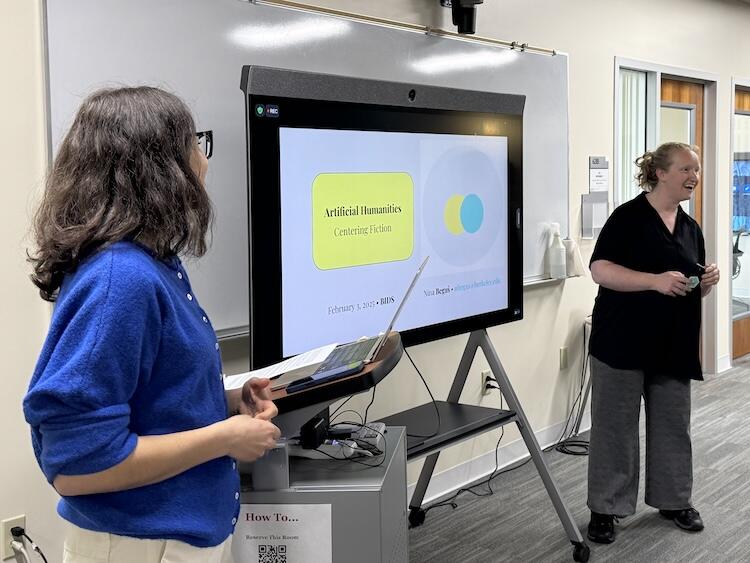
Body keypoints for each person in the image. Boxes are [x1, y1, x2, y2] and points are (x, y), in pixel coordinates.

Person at [23, 86, 281, 563]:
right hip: (140, 548)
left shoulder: (154, 264)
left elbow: (150, 396)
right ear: (161, 165)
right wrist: (225, 437)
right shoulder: (121, 279)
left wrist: (225, 400)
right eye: (194, 144)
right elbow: (77, 464)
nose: (203, 160)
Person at [586, 142, 720, 544]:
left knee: (673, 427)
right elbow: (599, 270)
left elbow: (687, 285)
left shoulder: (690, 228)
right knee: (615, 430)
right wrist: (654, 281)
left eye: (696, 170)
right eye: (685, 169)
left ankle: (674, 500)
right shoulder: (627, 218)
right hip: (621, 342)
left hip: (672, 345)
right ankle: (606, 509)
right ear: (660, 173)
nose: (694, 176)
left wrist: (705, 283)